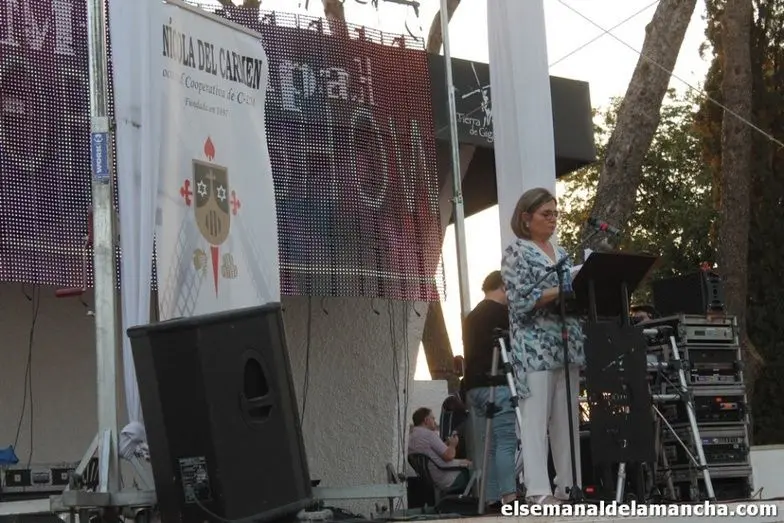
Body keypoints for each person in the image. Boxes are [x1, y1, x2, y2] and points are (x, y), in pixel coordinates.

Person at [501, 187, 585, 505]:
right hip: (534, 346)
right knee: (536, 420)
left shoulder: (561, 252)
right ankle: (537, 490)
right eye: (545, 214)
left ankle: (568, 487)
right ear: (526, 218)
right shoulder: (516, 252)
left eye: (555, 213)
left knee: (567, 420)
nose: (552, 219)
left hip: (566, 343)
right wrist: (561, 289)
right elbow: (518, 299)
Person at [462, 271, 518, 508]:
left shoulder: (471, 316)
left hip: (473, 387)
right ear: (504, 286)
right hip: (496, 382)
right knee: (506, 440)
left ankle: (492, 498)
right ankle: (509, 496)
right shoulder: (502, 314)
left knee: (489, 445)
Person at [408, 407, 472, 493]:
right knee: (473, 467)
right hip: (447, 478)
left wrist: (446, 444)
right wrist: (453, 445)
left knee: (466, 462)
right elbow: (449, 456)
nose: (435, 421)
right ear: (426, 420)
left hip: (433, 480)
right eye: (433, 418)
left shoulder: (412, 437)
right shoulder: (429, 434)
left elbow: (432, 453)